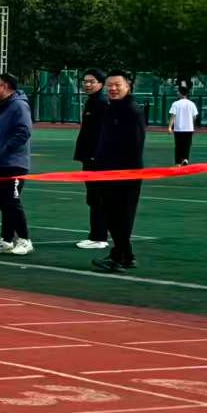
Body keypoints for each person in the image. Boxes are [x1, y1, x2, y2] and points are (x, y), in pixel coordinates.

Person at [92, 70, 146, 273]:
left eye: (117, 85)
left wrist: (124, 172)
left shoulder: (131, 110)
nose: (113, 89)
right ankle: (124, 255)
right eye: (110, 86)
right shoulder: (111, 108)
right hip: (107, 172)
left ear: (128, 86)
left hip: (124, 174)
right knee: (112, 215)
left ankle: (122, 256)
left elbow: (135, 145)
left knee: (120, 216)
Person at [0, 73, 33, 256]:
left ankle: (25, 239)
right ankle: (6, 239)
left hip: (14, 163)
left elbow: (24, 132)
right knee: (3, 202)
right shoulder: (3, 105)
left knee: (12, 201)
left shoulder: (19, 105)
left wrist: (6, 149)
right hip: (2, 162)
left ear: (4, 86)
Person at [72, 70, 108, 250]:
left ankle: (100, 237)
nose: (87, 84)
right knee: (93, 198)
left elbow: (102, 133)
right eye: (85, 81)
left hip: (98, 159)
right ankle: (95, 235)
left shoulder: (101, 103)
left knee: (98, 198)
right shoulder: (91, 102)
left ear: (101, 83)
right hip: (90, 157)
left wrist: (96, 155)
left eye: (92, 81)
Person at [168, 87, 198, 165]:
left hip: (178, 128)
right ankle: (185, 159)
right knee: (187, 145)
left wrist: (170, 127)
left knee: (178, 146)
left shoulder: (175, 104)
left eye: (178, 92)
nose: (177, 93)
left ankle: (178, 162)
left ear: (181, 93)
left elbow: (173, 116)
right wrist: (192, 126)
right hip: (189, 128)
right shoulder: (192, 104)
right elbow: (194, 117)